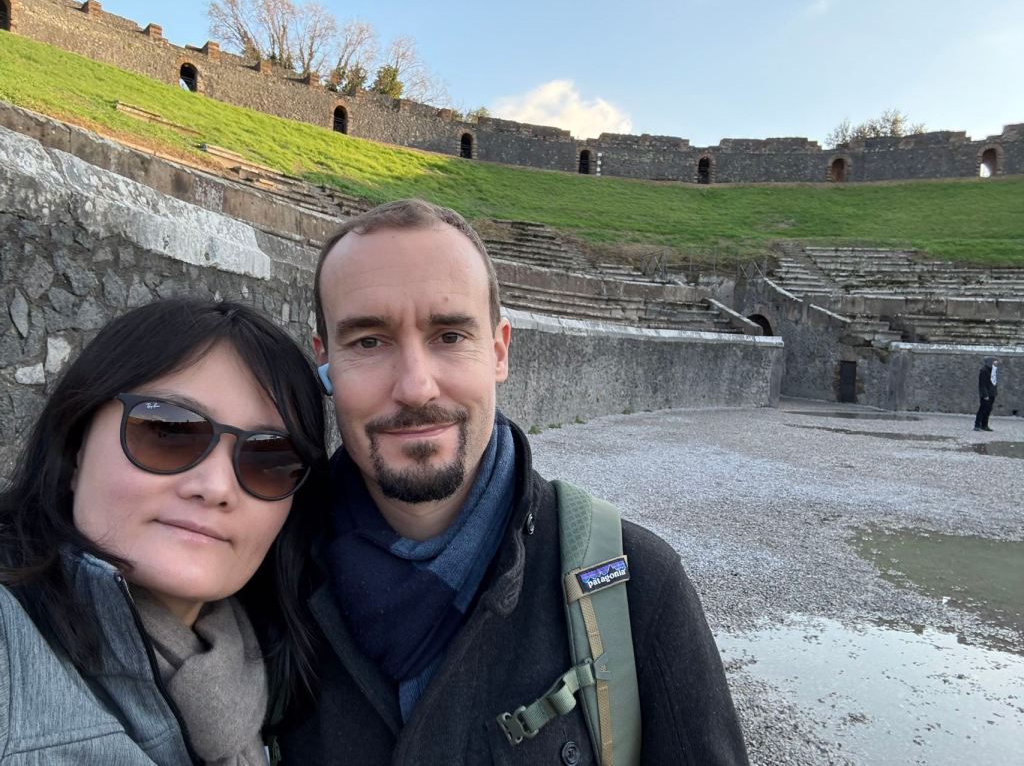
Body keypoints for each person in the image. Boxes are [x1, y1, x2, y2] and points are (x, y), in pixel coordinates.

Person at [279, 199, 749, 764]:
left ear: (499, 351)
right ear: (325, 360)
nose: (416, 387)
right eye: (368, 342)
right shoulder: (267, 577)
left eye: (450, 336)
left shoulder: (638, 584)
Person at [0, 299, 327, 764]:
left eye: (270, 459)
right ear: (75, 448)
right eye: (168, 431)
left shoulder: (287, 691)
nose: (216, 488)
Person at [974, 356, 998, 432]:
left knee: (988, 409)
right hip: (986, 394)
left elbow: (994, 382)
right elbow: (982, 384)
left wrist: (994, 393)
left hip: (991, 393)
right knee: (982, 409)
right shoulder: (984, 371)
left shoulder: (993, 370)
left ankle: (984, 425)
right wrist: (985, 395)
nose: (995, 363)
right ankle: (977, 425)